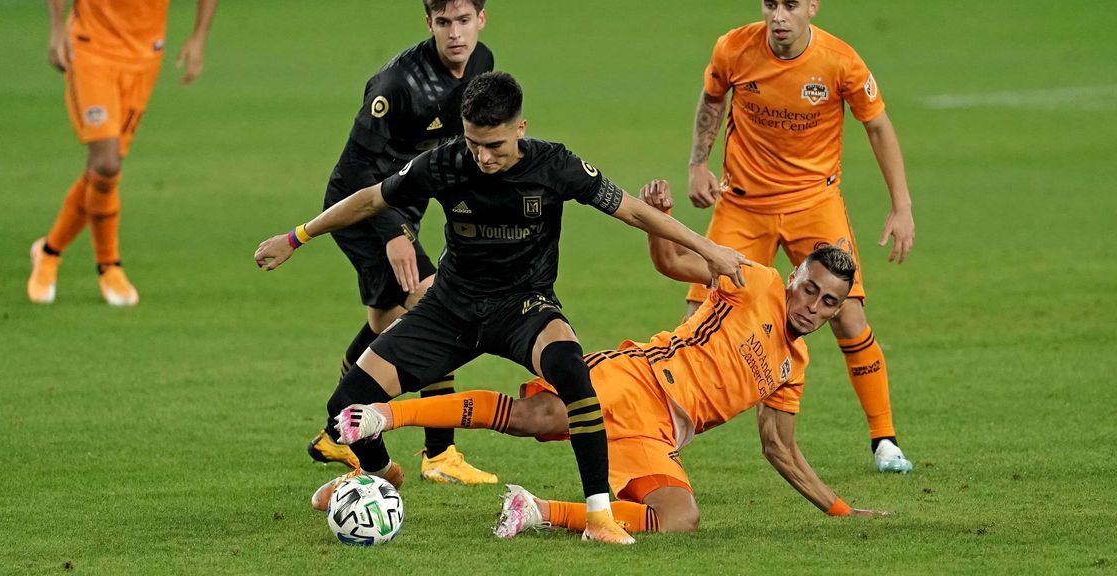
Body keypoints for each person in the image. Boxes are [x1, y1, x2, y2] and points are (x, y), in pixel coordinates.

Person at [255, 73, 751, 545]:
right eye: (474, 143)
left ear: (521, 128)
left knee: (572, 373)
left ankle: (599, 515)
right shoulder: (446, 162)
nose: (483, 156)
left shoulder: (554, 165)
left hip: (524, 307)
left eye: (494, 145)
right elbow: (369, 199)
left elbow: (632, 210)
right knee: (346, 406)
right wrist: (296, 237)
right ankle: (381, 476)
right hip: (450, 308)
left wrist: (711, 252)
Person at [332, 180, 890, 539]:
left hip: (661, 435)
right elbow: (672, 261)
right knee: (538, 419)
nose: (813, 306)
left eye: (828, 302)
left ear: (840, 308)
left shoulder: (793, 367)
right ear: (795, 277)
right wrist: (662, 216)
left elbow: (780, 448)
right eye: (809, 290)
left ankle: (538, 511)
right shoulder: (756, 280)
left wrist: (840, 510)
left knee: (679, 520)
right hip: (640, 379)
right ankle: (385, 415)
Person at [685, 0, 914, 472]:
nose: (779, 17)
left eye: (790, 6)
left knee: (849, 315)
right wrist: (698, 164)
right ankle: (668, 436)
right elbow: (711, 97)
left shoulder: (839, 62)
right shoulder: (734, 49)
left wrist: (901, 205)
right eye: (770, 4)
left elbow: (878, 126)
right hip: (743, 204)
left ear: (812, 6)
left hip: (814, 203)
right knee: (700, 318)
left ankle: (884, 440)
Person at [307, 0, 496, 485]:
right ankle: (440, 453)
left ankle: (334, 432)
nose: (455, 33)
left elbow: (461, 145)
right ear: (428, 23)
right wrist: (393, 232)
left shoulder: (481, 64)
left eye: (463, 20)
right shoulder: (397, 85)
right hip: (360, 210)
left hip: (403, 207)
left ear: (482, 19)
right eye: (443, 22)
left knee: (384, 322)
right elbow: (355, 171)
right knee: (438, 310)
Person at [26, 0, 222, 307]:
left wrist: (197, 39)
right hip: (90, 49)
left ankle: (48, 251)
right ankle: (108, 266)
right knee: (107, 161)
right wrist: (56, 33)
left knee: (104, 169)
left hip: (145, 58)